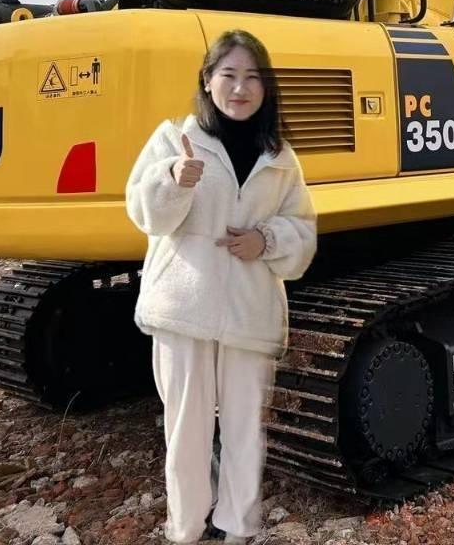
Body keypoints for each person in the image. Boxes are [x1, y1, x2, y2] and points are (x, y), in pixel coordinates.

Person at [126, 30, 317, 544]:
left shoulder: (280, 158)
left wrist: (266, 238)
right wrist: (174, 178)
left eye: (253, 77)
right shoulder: (173, 141)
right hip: (184, 311)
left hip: (249, 313)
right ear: (208, 82)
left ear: (266, 88)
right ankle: (186, 530)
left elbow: (303, 232)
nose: (240, 87)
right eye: (228, 75)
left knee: (243, 432)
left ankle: (236, 529)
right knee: (185, 432)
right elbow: (145, 214)